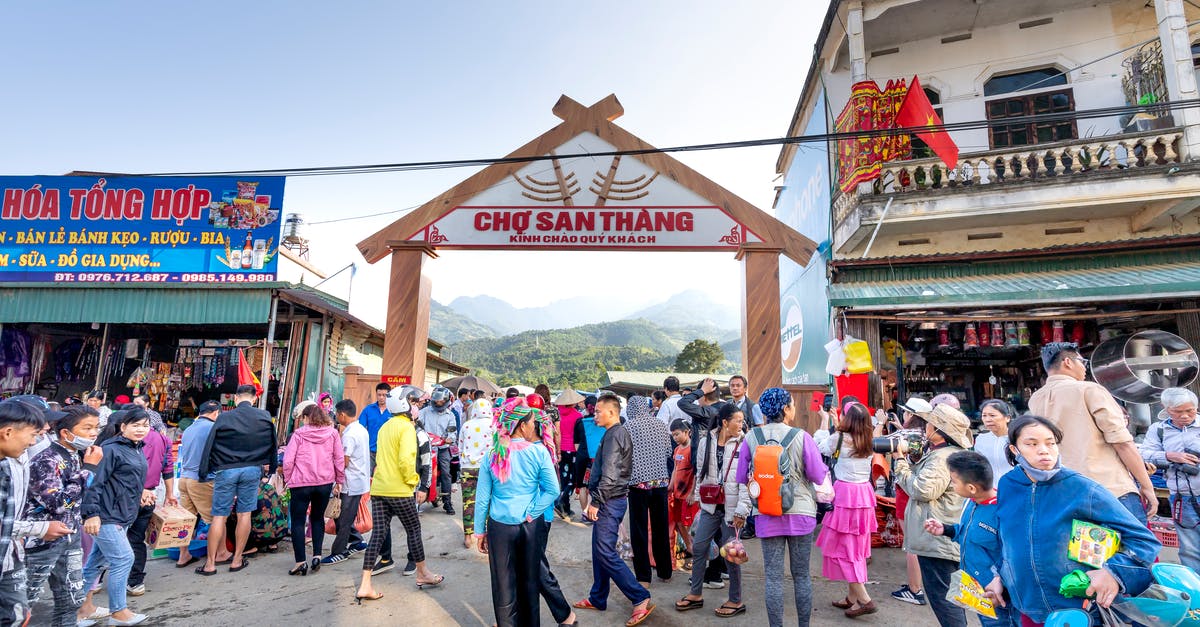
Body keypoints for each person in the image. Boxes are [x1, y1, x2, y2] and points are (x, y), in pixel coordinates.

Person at [986, 415, 1161, 624]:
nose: (1043, 450)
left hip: (1079, 609)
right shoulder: (1008, 485)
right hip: (1028, 607)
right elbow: (1006, 539)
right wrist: (999, 576)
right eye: (1031, 444)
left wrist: (1112, 572)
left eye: (1050, 443)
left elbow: (1143, 540)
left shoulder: (1080, 487)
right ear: (1015, 450)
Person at [1028, 342, 1157, 522]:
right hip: (1108, 488)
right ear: (1068, 362)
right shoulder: (1088, 389)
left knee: (1087, 549)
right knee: (1136, 547)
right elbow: (1122, 442)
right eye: (1082, 362)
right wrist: (1146, 486)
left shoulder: (1036, 398)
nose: (1084, 368)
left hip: (1065, 492)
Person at [734, 387, 826, 627]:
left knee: (773, 578)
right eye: (792, 404)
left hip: (766, 513)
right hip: (801, 513)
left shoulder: (751, 438)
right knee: (802, 575)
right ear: (786, 409)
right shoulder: (801, 436)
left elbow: (742, 475)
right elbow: (817, 475)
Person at [474, 401, 563, 627]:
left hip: (499, 526)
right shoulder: (538, 452)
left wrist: (479, 531)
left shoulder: (492, 454)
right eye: (532, 422)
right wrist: (533, 512)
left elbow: (483, 498)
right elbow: (552, 490)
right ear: (522, 426)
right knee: (530, 581)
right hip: (529, 525)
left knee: (503, 584)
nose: (534, 426)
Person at [354, 389, 443, 603]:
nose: (415, 407)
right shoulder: (407, 428)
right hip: (400, 489)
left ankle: (365, 584)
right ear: (403, 406)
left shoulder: (385, 427)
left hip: (380, 489)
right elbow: (405, 461)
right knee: (413, 529)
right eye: (411, 402)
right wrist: (414, 481)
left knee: (377, 535)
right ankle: (422, 573)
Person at [574, 395, 654, 627]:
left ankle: (639, 596)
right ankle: (598, 597)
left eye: (598, 411)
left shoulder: (615, 435)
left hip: (609, 501)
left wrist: (596, 502)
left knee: (606, 553)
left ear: (612, 412)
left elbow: (610, 474)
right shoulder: (612, 433)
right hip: (610, 499)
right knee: (600, 551)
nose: (594, 415)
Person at [892, 403, 972, 627]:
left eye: (930, 423)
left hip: (937, 539)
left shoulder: (941, 458)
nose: (926, 426)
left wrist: (900, 462)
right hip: (944, 536)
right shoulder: (949, 454)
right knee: (951, 597)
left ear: (938, 429)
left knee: (944, 599)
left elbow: (922, 490)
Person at [23, 406, 102, 627]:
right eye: (87, 428)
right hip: (41, 542)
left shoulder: (74, 455)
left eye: (96, 427)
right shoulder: (46, 460)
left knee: (71, 599)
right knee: (22, 607)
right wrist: (88, 470)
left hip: (69, 538)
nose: (94, 433)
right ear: (66, 433)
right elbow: (60, 504)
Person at [923, 451, 1020, 627]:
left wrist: (1000, 580)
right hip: (977, 590)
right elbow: (970, 534)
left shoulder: (1003, 513)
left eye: (954, 481)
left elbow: (1014, 554)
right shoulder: (971, 502)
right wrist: (946, 530)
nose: (951, 486)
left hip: (997, 596)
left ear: (972, 488)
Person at [77, 409, 152, 627]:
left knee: (94, 563)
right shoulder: (110, 450)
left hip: (123, 514)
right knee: (123, 558)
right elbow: (93, 483)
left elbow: (125, 481)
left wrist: (141, 493)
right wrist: (91, 514)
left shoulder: (136, 449)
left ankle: (80, 609)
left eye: (145, 425)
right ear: (123, 427)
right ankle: (118, 612)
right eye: (135, 425)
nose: (141, 430)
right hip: (106, 515)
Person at [197, 384, 277, 576]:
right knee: (244, 515)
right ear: (254, 399)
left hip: (226, 469)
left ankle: (210, 564)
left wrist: (204, 471)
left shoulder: (224, 417)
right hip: (251, 469)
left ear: (235, 397)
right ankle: (237, 559)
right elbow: (272, 443)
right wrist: (271, 468)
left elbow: (210, 445)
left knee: (219, 516)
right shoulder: (264, 417)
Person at [676, 403, 747, 618]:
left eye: (742, 421)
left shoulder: (744, 444)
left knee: (730, 554)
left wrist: (742, 509)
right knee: (698, 547)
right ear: (725, 422)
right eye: (738, 420)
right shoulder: (707, 442)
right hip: (709, 506)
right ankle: (695, 593)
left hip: (733, 509)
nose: (741, 424)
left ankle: (736, 600)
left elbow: (746, 479)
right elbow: (701, 473)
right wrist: (698, 498)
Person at [816, 402, 878, 617]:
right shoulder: (870, 440)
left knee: (842, 548)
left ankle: (865, 599)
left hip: (844, 495)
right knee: (857, 549)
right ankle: (851, 599)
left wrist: (825, 421)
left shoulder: (839, 439)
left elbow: (819, 446)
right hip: (863, 495)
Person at [0, 400, 53, 627]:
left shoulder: (9, 463)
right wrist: (39, 529)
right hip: (18, 545)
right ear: (8, 432)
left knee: (17, 615)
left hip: (11, 553)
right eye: (33, 434)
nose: (35, 441)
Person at [1140, 386, 1200, 573]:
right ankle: (1197, 594)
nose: (1184, 416)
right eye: (1178, 412)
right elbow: (1143, 454)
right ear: (1166, 410)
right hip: (1182, 497)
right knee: (1189, 550)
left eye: (1189, 410)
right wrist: (1171, 456)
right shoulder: (1159, 430)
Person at [282, 403, 345, 575]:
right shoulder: (332, 434)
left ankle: (300, 561)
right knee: (317, 519)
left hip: (301, 483)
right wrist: (339, 480)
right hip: (324, 484)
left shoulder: (299, 434)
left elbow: (288, 461)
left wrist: (288, 479)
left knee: (298, 521)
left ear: (307, 418)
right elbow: (339, 458)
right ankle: (317, 555)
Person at [123, 404, 176, 597]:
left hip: (128, 495)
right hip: (149, 495)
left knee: (115, 537)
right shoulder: (163, 439)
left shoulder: (127, 441)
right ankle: (135, 581)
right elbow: (167, 467)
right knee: (136, 539)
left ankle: (96, 579)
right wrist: (170, 494)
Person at [175, 401, 231, 568]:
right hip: (201, 480)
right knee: (218, 518)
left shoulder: (189, 429)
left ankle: (183, 555)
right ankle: (221, 553)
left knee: (187, 520)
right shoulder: (211, 429)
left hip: (184, 479)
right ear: (216, 413)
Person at [625, 395, 673, 586]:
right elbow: (669, 451)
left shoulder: (628, 427)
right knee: (661, 528)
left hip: (638, 485)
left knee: (639, 531)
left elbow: (624, 455)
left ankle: (644, 576)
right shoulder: (660, 424)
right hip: (660, 484)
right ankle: (665, 571)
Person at [891, 396, 933, 607]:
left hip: (905, 489)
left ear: (910, 415)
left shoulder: (903, 436)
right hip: (923, 488)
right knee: (920, 537)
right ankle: (920, 584)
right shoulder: (929, 435)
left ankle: (915, 589)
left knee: (911, 542)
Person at [327, 399, 370, 563]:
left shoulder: (349, 434)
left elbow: (343, 461)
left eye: (337, 414)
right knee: (342, 516)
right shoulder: (360, 429)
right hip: (358, 480)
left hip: (350, 482)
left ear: (342, 414)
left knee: (343, 518)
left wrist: (336, 480)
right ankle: (357, 541)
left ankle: (339, 551)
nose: (337, 417)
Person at [459, 398, 496, 550]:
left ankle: (468, 537)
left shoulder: (466, 425)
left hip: (467, 468)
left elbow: (459, 446)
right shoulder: (493, 425)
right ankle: (485, 537)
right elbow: (496, 448)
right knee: (486, 502)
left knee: (468, 502)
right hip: (486, 469)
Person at [420, 386, 457, 515]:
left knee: (446, 472)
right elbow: (418, 427)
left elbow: (452, 433)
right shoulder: (424, 412)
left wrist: (448, 439)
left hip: (442, 449)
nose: (438, 403)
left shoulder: (450, 415)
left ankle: (447, 502)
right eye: (436, 400)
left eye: (441, 401)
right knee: (418, 469)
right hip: (425, 447)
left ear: (446, 401)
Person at [667, 419, 697, 572]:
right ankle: (689, 550)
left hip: (688, 496)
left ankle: (694, 554)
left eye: (677, 434)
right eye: (673, 435)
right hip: (677, 494)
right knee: (678, 523)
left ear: (687, 432)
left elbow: (696, 473)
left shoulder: (693, 449)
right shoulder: (677, 450)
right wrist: (671, 486)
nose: (676, 438)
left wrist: (693, 493)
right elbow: (675, 469)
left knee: (688, 525)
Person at [553, 388, 586, 520]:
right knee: (573, 480)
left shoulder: (557, 414)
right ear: (573, 402)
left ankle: (565, 508)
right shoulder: (578, 416)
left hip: (560, 449)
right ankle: (560, 501)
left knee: (564, 479)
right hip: (573, 450)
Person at [974, 400, 1016, 488]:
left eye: (992, 415)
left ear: (1007, 418)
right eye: (984, 415)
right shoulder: (981, 439)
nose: (987, 419)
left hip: (1015, 489)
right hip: (990, 491)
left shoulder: (1017, 439)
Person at [358, 382, 392, 469]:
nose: (381, 397)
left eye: (384, 395)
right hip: (370, 450)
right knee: (368, 477)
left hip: (387, 451)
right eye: (379, 395)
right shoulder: (368, 410)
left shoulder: (393, 411)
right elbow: (360, 428)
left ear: (389, 395)